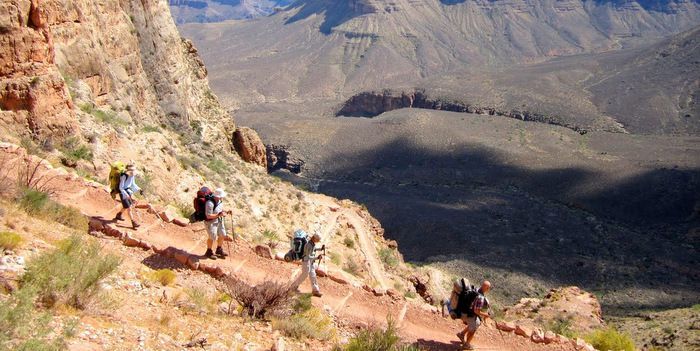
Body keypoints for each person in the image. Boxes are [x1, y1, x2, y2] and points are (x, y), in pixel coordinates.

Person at [457, 280, 491, 350]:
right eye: (488, 288)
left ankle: (462, 334)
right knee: (475, 325)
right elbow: (476, 311)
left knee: (475, 321)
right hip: (468, 315)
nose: (488, 289)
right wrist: (486, 315)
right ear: (487, 288)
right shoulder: (481, 297)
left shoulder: (475, 289)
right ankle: (467, 344)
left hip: (462, 311)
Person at [292, 231, 324, 297]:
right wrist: (317, 258)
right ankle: (293, 287)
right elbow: (308, 256)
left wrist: (320, 249)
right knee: (304, 275)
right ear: (314, 238)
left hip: (310, 262)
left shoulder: (312, 244)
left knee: (313, 276)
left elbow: (314, 249)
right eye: (317, 240)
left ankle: (315, 291)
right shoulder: (308, 245)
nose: (318, 241)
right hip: (306, 262)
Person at [204, 188, 232, 259]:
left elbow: (219, 210)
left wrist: (226, 211)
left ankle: (219, 249)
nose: (222, 197)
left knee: (222, 234)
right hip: (211, 222)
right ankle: (209, 252)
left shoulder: (220, 201)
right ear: (218, 196)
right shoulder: (209, 203)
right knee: (212, 237)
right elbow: (208, 215)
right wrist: (219, 215)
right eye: (221, 196)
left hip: (219, 220)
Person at [114, 164, 141, 229]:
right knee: (129, 207)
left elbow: (133, 184)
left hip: (128, 192)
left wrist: (139, 189)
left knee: (126, 206)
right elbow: (121, 187)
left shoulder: (132, 176)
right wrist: (125, 195)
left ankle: (119, 215)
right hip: (123, 193)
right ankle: (133, 222)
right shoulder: (124, 176)